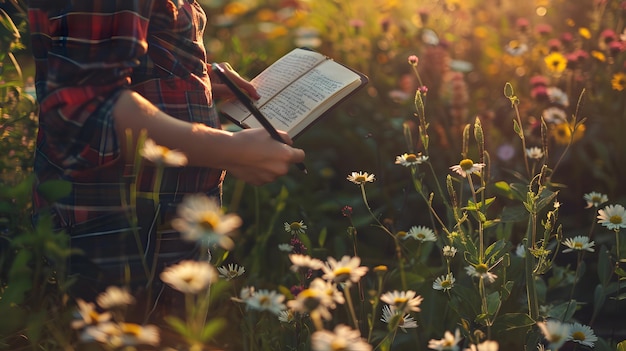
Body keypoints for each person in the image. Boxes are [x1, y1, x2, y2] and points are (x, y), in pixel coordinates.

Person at [26, 0, 305, 318]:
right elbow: (88, 107)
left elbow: (104, 58)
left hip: (159, 218)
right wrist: (232, 150)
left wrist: (192, 80)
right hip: (121, 224)